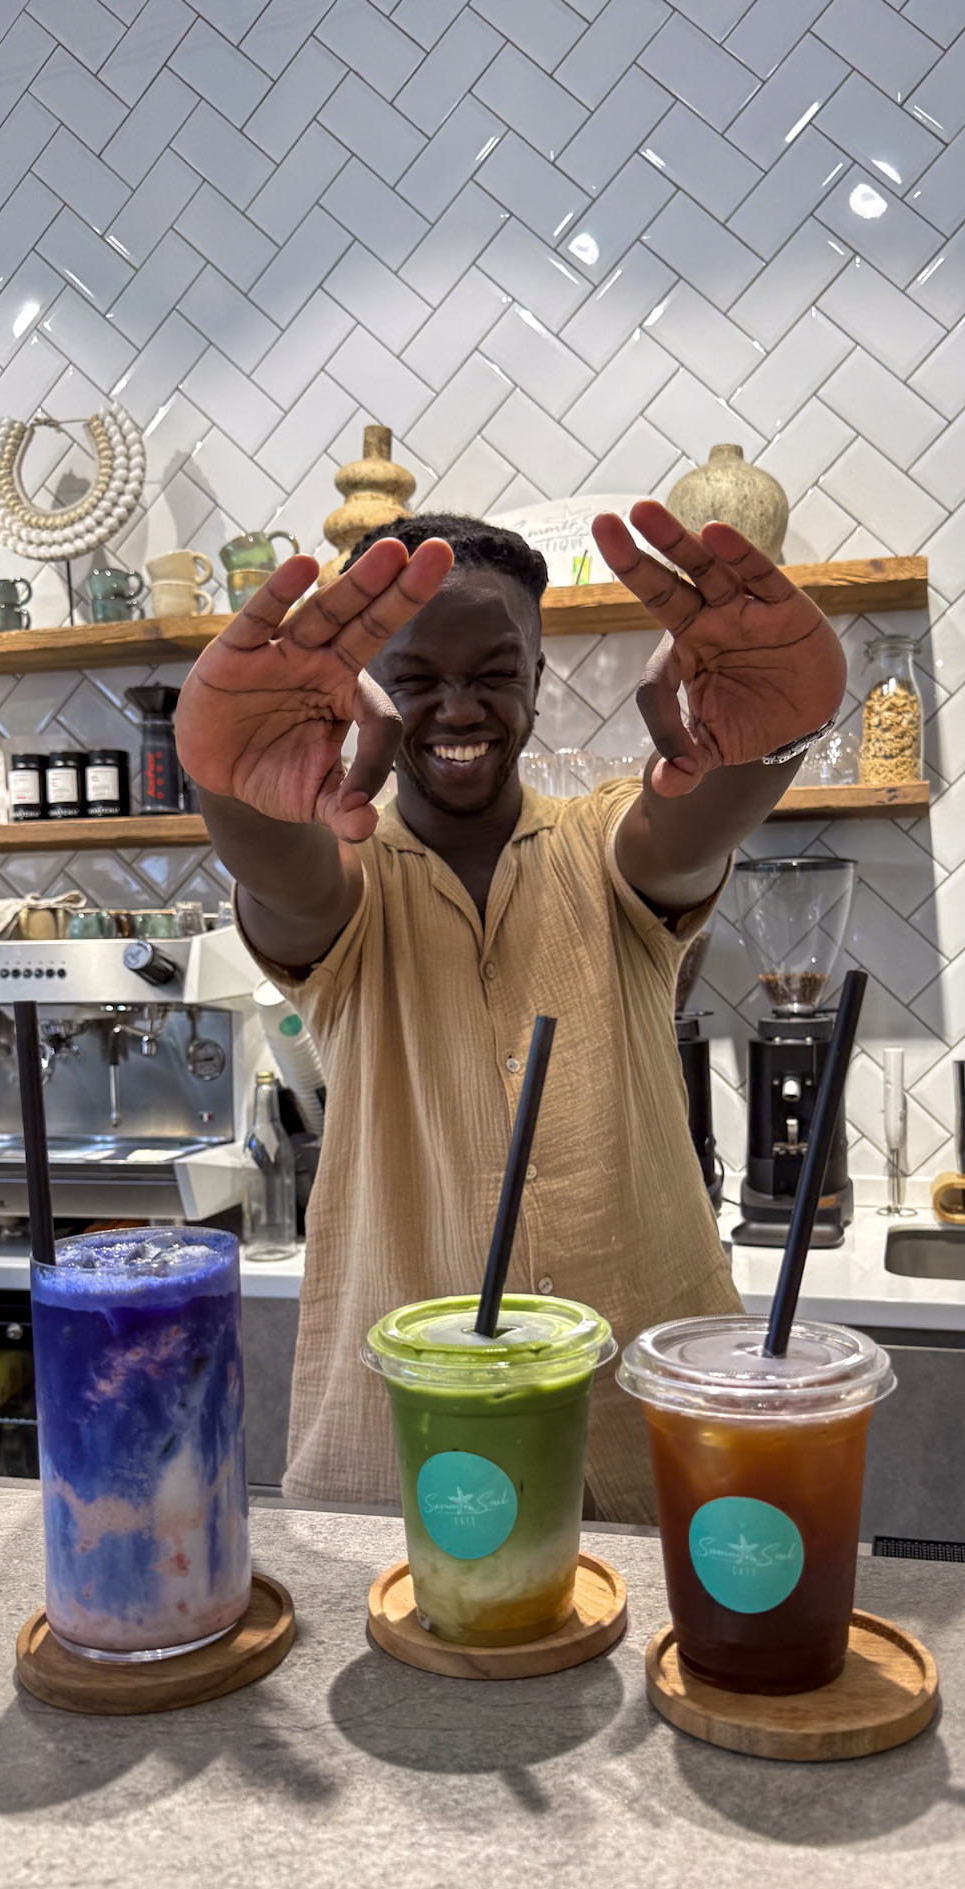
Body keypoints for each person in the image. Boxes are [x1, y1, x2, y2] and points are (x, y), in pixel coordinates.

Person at [177, 501, 847, 1520]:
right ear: (368, 696)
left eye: (493, 673)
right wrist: (236, 794)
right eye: (418, 679)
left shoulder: (604, 845)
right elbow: (291, 883)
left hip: (642, 1436)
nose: (458, 707)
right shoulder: (349, 877)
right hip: (408, 1447)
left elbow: (683, 830)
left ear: (536, 679)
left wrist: (776, 734)